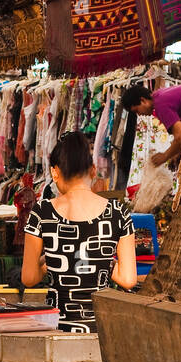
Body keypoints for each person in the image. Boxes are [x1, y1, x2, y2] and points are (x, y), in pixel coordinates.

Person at [21, 132, 137, 333]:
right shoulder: (118, 213)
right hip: (100, 329)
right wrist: (102, 262)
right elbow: (128, 280)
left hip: (57, 327)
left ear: (55, 173)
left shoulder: (42, 212)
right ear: (93, 171)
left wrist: (46, 265)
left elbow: (29, 278)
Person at [121, 82, 181, 168]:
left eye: (136, 111)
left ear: (143, 100)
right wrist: (177, 153)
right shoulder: (159, 96)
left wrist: (165, 156)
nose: (139, 115)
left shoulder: (160, 105)